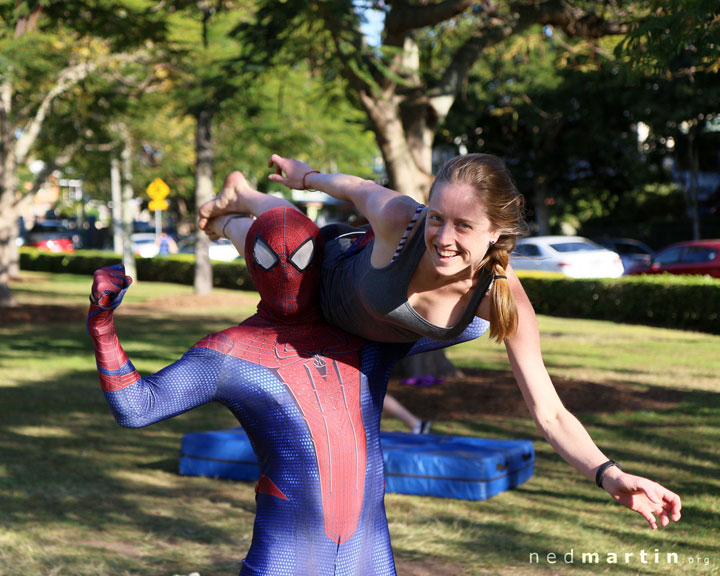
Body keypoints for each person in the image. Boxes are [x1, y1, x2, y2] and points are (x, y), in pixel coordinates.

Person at [198, 154, 682, 531]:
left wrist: (609, 474)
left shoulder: (503, 299)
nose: (443, 238)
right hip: (326, 281)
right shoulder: (400, 220)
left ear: (497, 231)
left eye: (464, 226)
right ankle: (233, 207)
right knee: (286, 242)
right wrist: (306, 178)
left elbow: (551, 413)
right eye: (437, 218)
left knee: (470, 323)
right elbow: (358, 189)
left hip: (379, 333)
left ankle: (239, 195)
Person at [87, 207, 487, 575]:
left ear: (319, 259)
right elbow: (137, 408)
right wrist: (102, 327)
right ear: (252, 263)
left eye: (300, 259)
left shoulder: (364, 334)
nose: (285, 272)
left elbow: (477, 320)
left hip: (367, 551)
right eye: (266, 259)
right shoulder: (231, 351)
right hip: (289, 554)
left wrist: (461, 246)